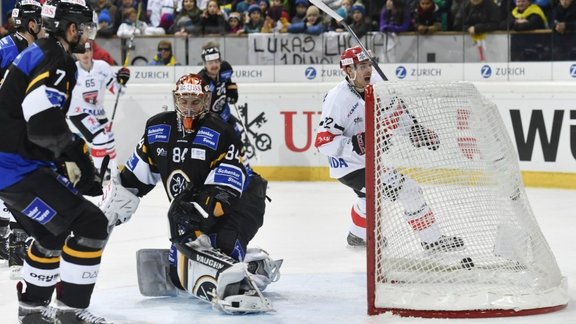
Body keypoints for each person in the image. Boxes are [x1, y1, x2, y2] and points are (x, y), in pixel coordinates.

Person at [99, 73, 281, 313]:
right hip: (191, 208)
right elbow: (134, 180)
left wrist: (192, 223)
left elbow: (224, 195)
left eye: (195, 102)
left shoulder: (221, 132)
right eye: (183, 101)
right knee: (182, 275)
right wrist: (112, 205)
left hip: (244, 201)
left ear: (205, 100)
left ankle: (255, 272)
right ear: (175, 99)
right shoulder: (157, 128)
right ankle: (252, 262)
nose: (188, 108)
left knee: (219, 247)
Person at [0, 0, 114, 322]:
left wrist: (64, 160)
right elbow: (41, 118)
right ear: (71, 28)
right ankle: (71, 311)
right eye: (85, 29)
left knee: (51, 235)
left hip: (9, 169)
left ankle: (32, 310)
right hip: (17, 168)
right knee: (91, 224)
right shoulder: (56, 56)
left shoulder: (40, 51)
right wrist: (76, 155)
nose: (88, 36)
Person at [314, 46, 465, 250]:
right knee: (408, 189)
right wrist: (358, 144)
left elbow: (395, 113)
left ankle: (357, 235)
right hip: (350, 166)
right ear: (349, 70)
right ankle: (433, 241)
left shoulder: (377, 85)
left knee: (367, 198)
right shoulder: (337, 98)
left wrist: (414, 131)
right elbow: (323, 143)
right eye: (361, 66)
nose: (368, 70)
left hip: (370, 160)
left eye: (369, 64)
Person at [0, 0, 43, 281]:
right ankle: (15, 242)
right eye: (40, 21)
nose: (43, 26)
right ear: (30, 23)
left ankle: (7, 236)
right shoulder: (9, 45)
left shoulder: (29, 48)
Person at [67, 40, 130, 181]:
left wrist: (122, 81)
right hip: (78, 112)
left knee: (109, 139)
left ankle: (113, 172)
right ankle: (97, 173)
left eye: (88, 50)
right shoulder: (71, 69)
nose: (85, 54)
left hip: (98, 113)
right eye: (81, 51)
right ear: (75, 54)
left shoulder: (102, 67)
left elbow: (118, 91)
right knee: (100, 138)